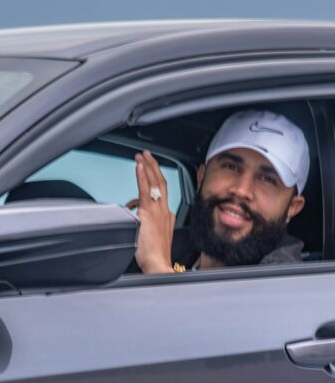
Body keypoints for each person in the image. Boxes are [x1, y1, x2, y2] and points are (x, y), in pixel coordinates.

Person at [130, 109, 309, 274]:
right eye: (231, 167)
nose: (241, 190)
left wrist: (156, 267)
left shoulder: (287, 283)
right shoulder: (177, 246)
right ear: (201, 177)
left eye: (267, 179)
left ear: (292, 207)